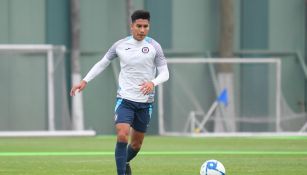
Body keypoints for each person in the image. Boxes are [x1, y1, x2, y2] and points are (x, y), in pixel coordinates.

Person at [70, 10, 169, 175]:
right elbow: (102, 63)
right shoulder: (120, 45)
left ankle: (126, 160)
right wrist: (84, 80)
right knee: (122, 134)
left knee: (136, 145)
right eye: (139, 26)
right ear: (132, 27)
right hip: (125, 100)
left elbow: (165, 73)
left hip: (145, 103)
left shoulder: (154, 47)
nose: (142, 30)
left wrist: (153, 82)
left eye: (145, 26)